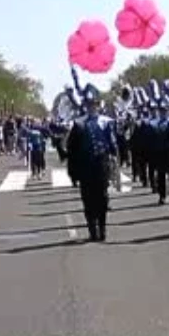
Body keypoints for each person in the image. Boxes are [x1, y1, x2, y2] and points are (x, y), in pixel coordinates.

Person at [67, 87, 117, 241]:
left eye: (94, 104)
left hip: (101, 165)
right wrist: (73, 172)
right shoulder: (79, 123)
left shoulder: (106, 122)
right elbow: (72, 149)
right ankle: (92, 230)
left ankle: (102, 228)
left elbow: (112, 144)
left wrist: (114, 161)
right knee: (88, 200)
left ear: (98, 105)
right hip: (85, 167)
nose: (92, 107)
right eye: (89, 105)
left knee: (102, 199)